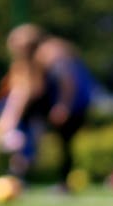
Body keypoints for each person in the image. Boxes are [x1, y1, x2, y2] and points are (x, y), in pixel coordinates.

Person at [36, 36, 95, 192]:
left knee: (65, 147)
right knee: (67, 147)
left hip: (71, 111)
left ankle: (64, 183)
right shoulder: (72, 63)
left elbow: (68, 85)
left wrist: (62, 106)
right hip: (78, 109)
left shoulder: (61, 65)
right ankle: (65, 182)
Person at [0, 23, 50, 182]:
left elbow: (21, 95)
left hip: (21, 116)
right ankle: (17, 180)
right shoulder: (34, 66)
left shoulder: (25, 67)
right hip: (26, 116)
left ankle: (16, 181)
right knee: (23, 152)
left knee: (20, 152)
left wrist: (8, 120)